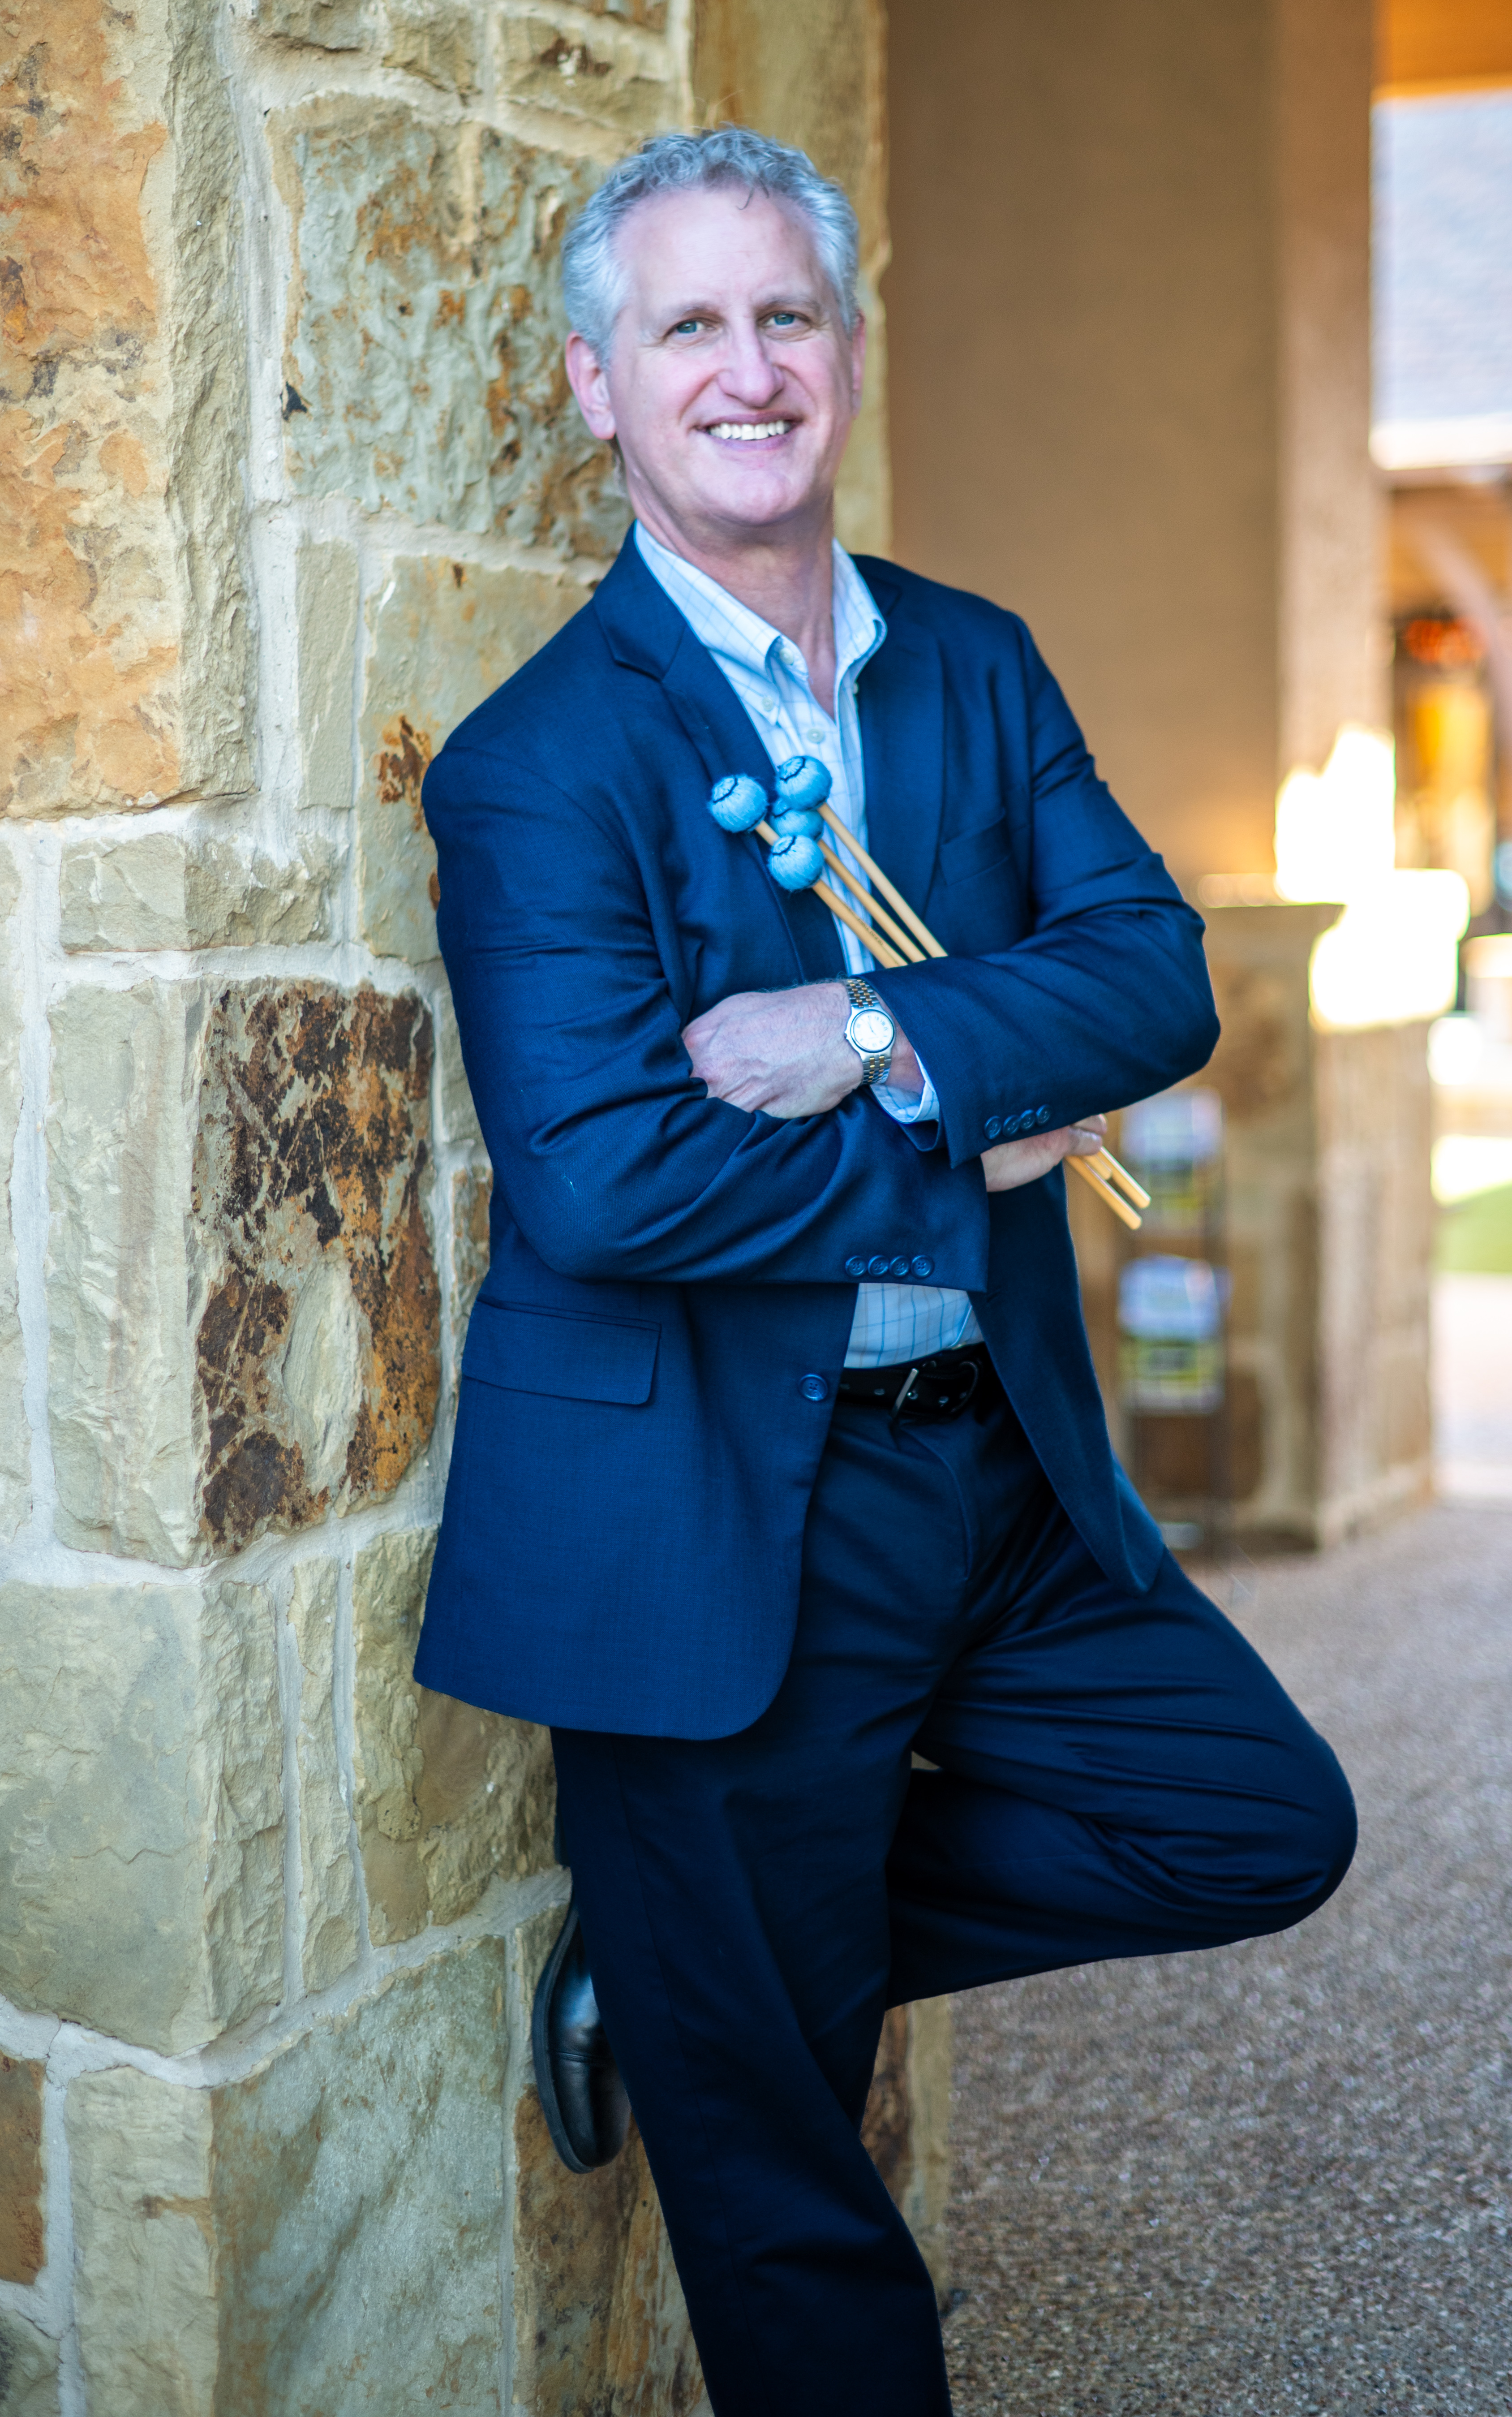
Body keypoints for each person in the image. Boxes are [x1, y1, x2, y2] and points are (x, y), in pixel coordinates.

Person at [415, 125, 1356, 2417]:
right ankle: (711, 1970)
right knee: (795, 2215)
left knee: (1253, 1815)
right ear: (593, 387)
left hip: (996, 1473)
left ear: (843, 347)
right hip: (719, 1523)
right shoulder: (539, 764)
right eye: (689, 327)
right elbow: (613, 1187)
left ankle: (688, 1957)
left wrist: (873, 1032)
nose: (750, 368)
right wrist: (976, 1123)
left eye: (788, 314)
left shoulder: (972, 663)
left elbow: (1150, 971)